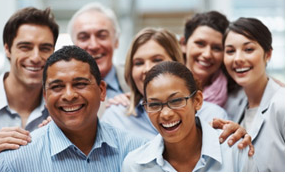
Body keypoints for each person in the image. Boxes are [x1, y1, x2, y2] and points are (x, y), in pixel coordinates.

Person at [101, 28, 253, 154]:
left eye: (157, 60)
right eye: (139, 63)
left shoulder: (213, 115)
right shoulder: (114, 118)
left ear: (177, 64)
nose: (147, 69)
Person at [0, 46, 147, 172]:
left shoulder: (139, 152)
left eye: (80, 84)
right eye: (57, 87)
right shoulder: (13, 162)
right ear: (45, 96)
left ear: (101, 90)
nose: (69, 96)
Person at [122, 61, 257, 172]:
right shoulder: (135, 165)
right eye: (154, 104)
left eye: (176, 101)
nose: (166, 114)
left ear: (197, 101)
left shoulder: (234, 151)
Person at [223, 17, 285, 171]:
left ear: (268, 54)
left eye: (248, 49)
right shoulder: (233, 105)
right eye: (230, 51)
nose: (238, 59)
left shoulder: (282, 104)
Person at [0, 7, 59, 154]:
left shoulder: (62, 109)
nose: (36, 58)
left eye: (45, 48)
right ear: (7, 49)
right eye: (25, 47)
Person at [180, 11, 229, 107]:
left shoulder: (233, 95)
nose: (207, 55)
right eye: (200, 44)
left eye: (217, 48)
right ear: (183, 44)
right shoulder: (162, 84)